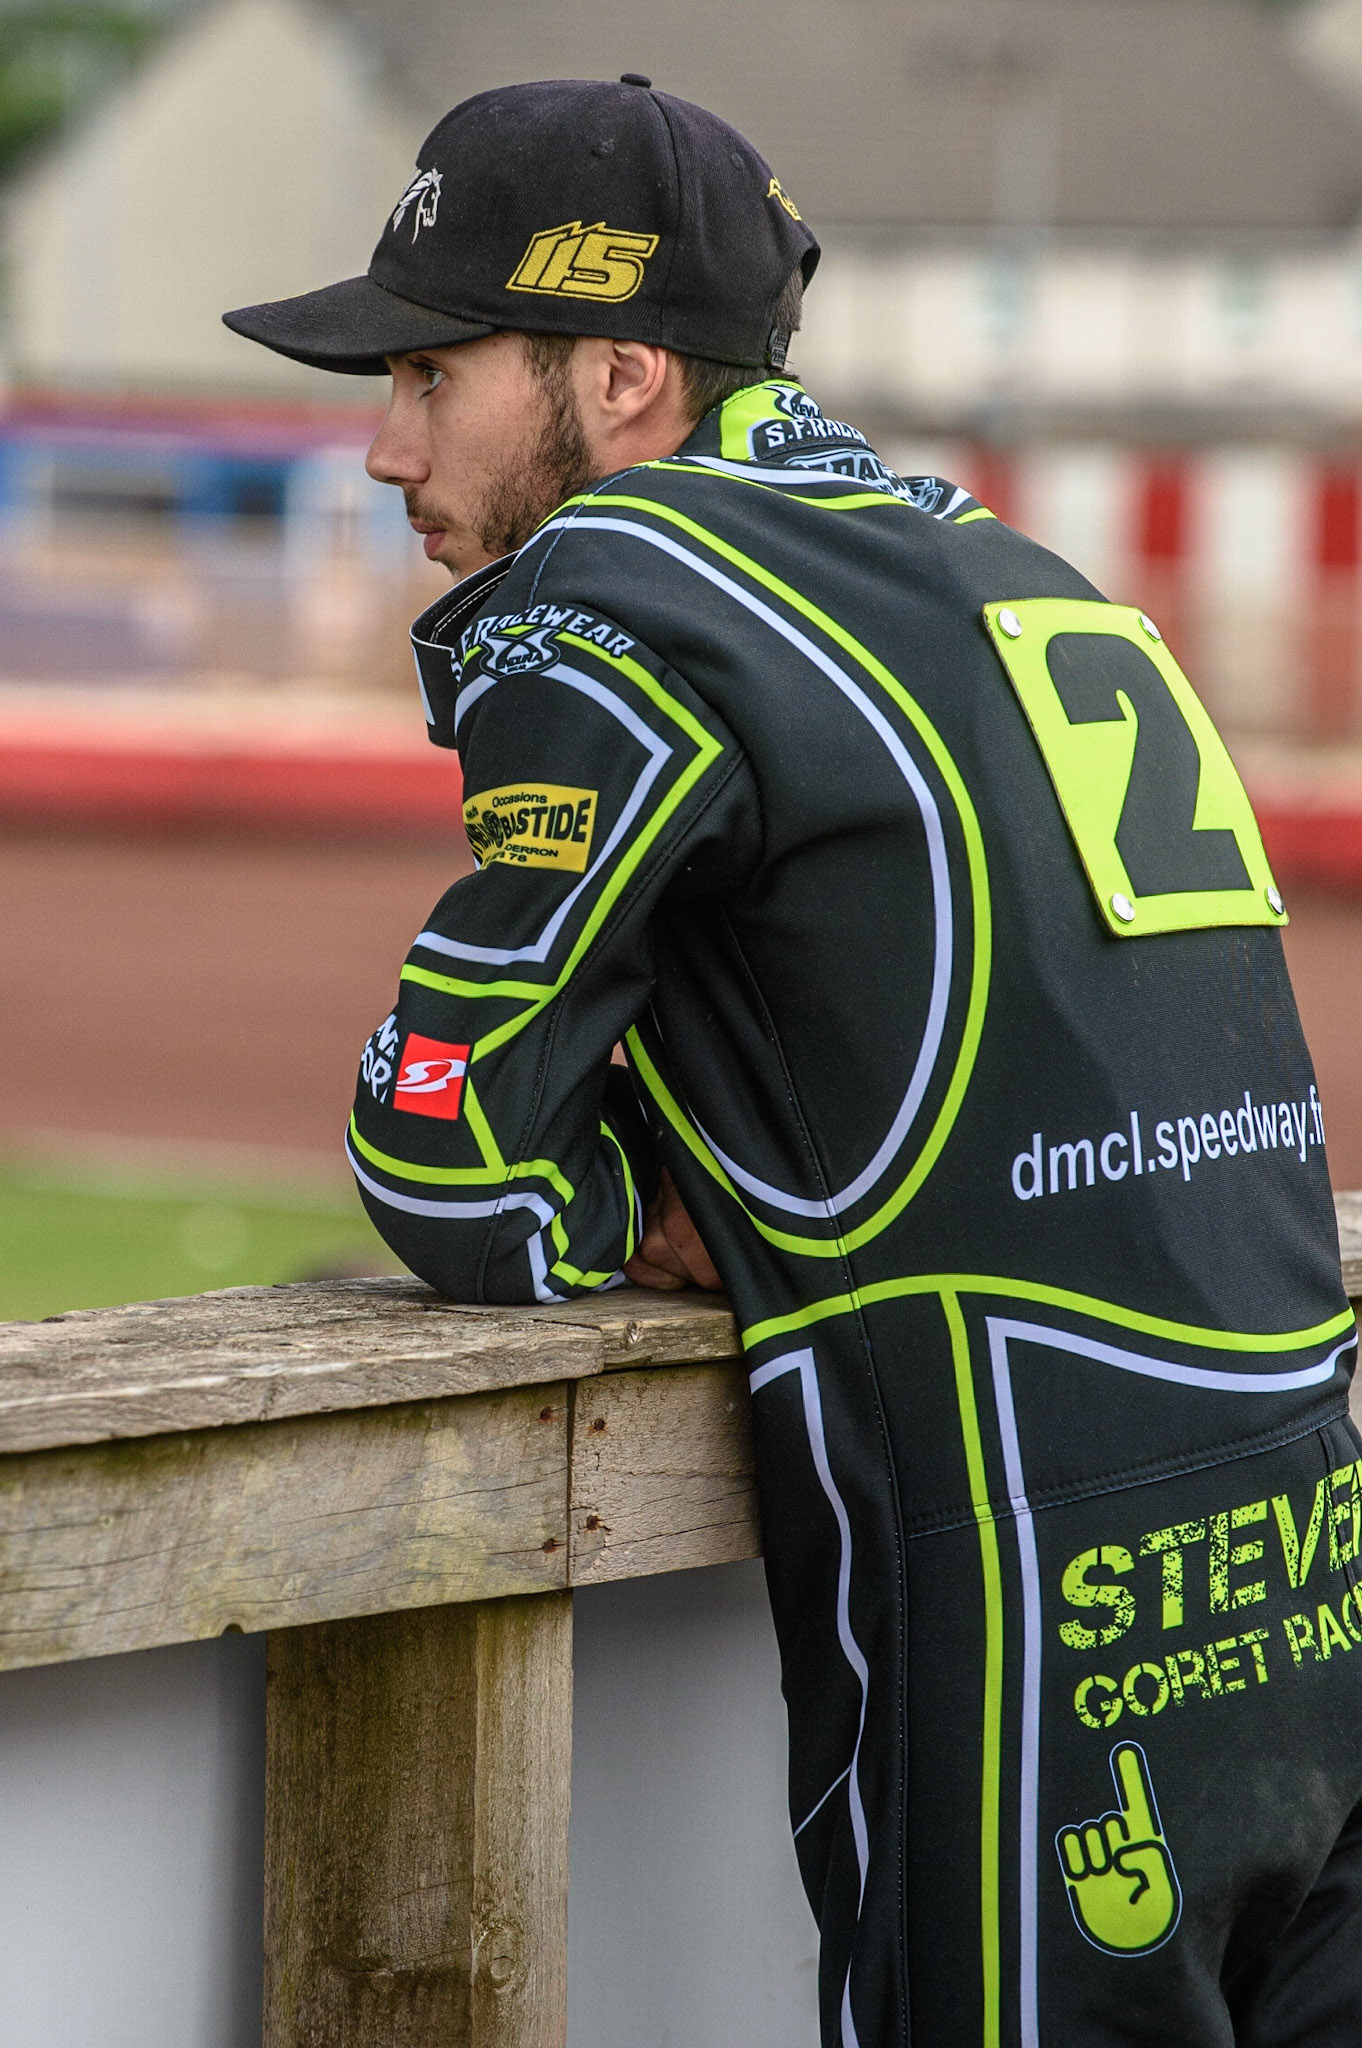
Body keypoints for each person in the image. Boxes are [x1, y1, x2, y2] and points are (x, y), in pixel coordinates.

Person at [226, 76, 1360, 2047]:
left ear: (628, 377)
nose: (386, 443)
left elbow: (448, 1162)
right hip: (1308, 1543)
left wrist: (652, 1208)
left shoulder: (615, 591)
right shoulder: (1018, 571)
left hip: (1036, 1594)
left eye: (431, 373)